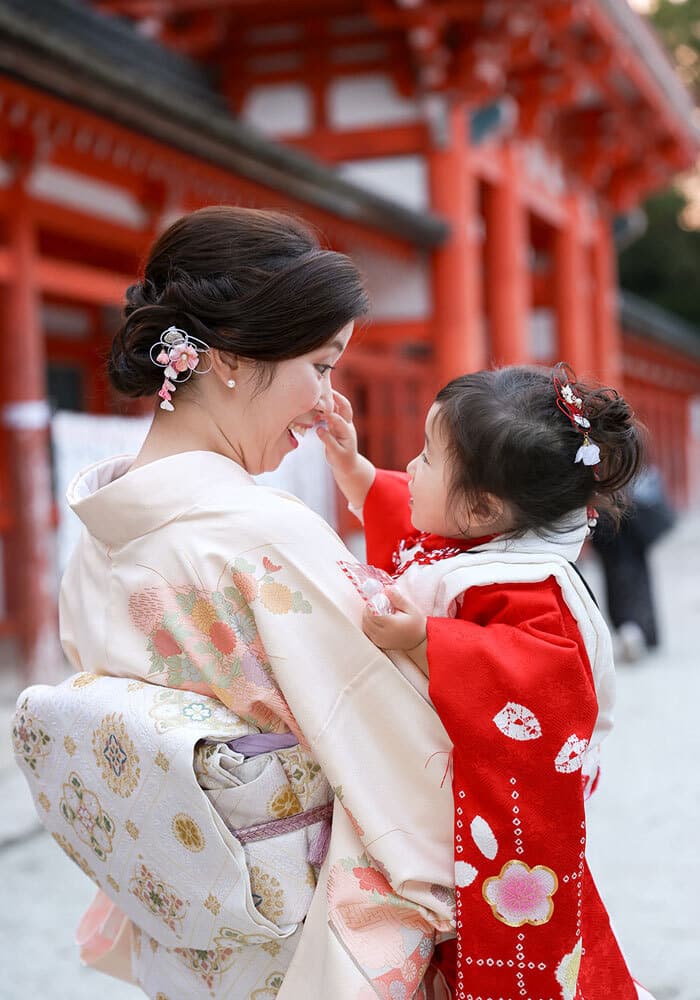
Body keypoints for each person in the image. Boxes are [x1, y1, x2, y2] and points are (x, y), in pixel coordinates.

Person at [13, 207, 457, 1000]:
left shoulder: (97, 542)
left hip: (187, 939)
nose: (327, 401)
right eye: (320, 366)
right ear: (224, 360)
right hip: (303, 938)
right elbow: (401, 742)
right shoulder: (261, 537)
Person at [318, 364, 655, 1000]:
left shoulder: (531, 585)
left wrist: (426, 641)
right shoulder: (486, 536)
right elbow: (420, 522)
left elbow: (541, 678)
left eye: (426, 457)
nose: (409, 468)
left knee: (501, 922)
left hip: (494, 791)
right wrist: (355, 470)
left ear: (484, 508)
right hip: (438, 770)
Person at [591, 465, 674, 661]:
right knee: (631, 574)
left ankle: (630, 628)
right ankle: (637, 629)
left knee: (617, 576)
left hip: (615, 511)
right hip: (623, 510)